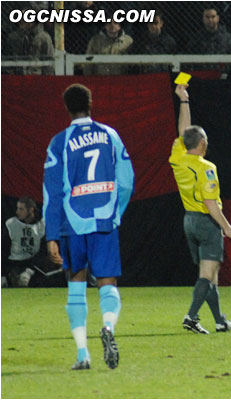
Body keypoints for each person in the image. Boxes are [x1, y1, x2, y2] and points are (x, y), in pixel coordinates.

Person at [43, 83, 134, 370]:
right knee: (108, 284)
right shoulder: (110, 135)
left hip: (73, 224)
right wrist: (115, 212)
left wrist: (52, 235)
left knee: (76, 288)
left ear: (67, 108)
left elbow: (52, 192)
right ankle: (108, 327)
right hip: (104, 220)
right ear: (91, 104)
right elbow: (127, 179)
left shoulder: (59, 142)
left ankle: (83, 354)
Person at [169, 83, 231, 335]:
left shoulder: (178, 157)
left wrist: (184, 99)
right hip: (205, 222)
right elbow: (211, 203)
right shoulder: (206, 167)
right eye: (205, 140)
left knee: (211, 276)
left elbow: (183, 131)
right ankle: (191, 316)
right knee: (207, 273)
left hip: (188, 220)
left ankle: (220, 320)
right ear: (201, 143)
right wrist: (227, 227)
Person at [2, 197, 58, 287]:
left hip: (36, 265)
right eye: (17, 208)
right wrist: (2, 274)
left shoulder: (42, 225)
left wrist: (29, 271)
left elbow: (43, 251)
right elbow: (3, 250)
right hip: (14, 264)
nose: (17, 212)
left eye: (21, 209)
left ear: (31, 209)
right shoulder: (11, 224)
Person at [185, 6, 231, 79]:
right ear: (203, 19)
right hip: (202, 78)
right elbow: (187, 58)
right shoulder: (197, 38)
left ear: (218, 18)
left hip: (223, 77)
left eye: (213, 17)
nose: (210, 20)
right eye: (207, 17)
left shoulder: (227, 38)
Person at [2, 8, 54, 75]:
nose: (19, 21)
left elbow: (49, 63)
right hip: (17, 77)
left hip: (36, 77)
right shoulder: (13, 38)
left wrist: (47, 80)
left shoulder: (44, 38)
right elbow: (8, 59)